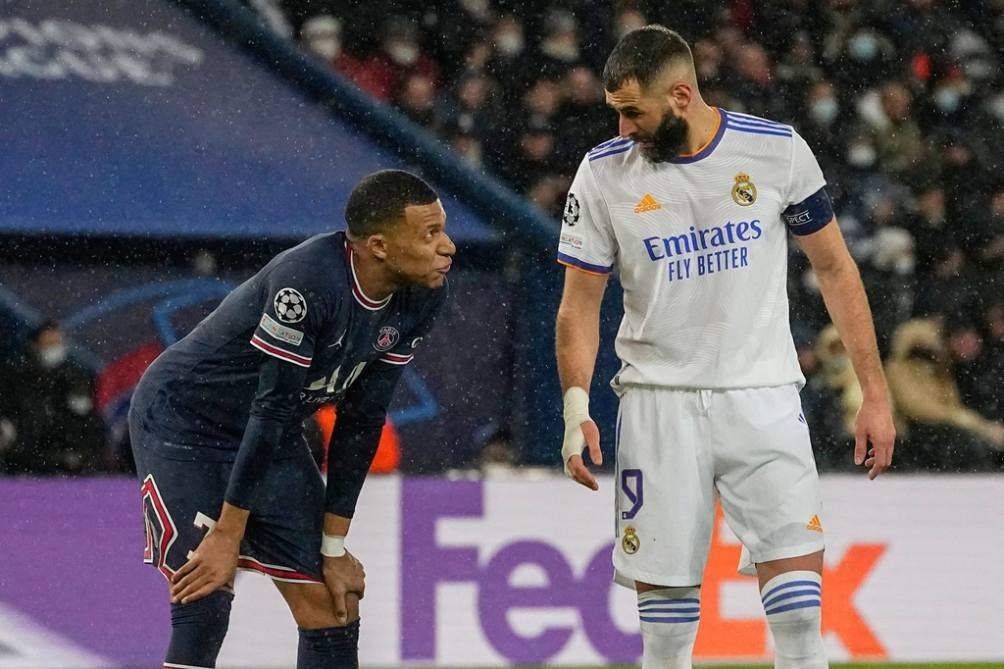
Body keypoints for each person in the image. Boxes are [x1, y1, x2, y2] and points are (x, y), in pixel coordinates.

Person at [554, 26, 895, 669]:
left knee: (799, 621)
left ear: (681, 94)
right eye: (616, 113)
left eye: (634, 112)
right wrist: (576, 408)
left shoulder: (776, 152)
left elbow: (836, 269)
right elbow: (579, 303)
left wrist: (874, 393)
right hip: (658, 405)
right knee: (666, 637)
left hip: (763, 397)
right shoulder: (602, 174)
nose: (623, 129)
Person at [128, 170, 454, 669]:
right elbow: (273, 405)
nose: (447, 247)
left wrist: (335, 546)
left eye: (443, 229)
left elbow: (362, 418)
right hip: (184, 421)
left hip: (269, 432)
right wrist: (228, 534)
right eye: (430, 234)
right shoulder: (307, 284)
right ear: (379, 246)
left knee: (332, 601)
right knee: (205, 593)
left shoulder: (423, 293)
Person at [0, 320, 105, 474]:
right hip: (21, 458)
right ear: (35, 344)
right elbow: (11, 411)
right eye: (49, 343)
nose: (55, 348)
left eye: (58, 343)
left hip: (65, 459)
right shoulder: (14, 374)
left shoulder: (74, 375)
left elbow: (86, 420)